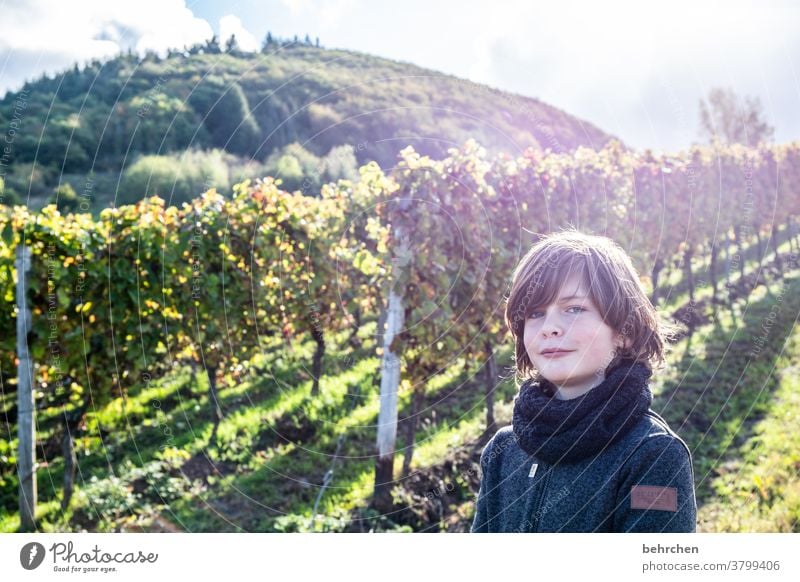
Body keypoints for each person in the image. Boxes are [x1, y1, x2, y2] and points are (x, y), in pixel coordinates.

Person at [471, 229, 697, 532]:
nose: (549, 327)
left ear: (625, 331)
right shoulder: (503, 452)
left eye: (574, 309)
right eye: (535, 313)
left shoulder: (653, 456)